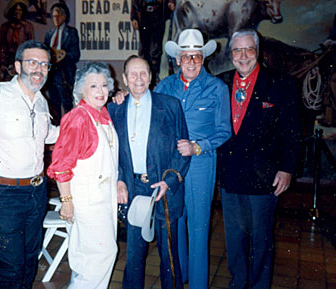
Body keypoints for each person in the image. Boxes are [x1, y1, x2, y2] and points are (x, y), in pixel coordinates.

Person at [218, 29, 301, 289]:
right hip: (230, 177)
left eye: (248, 50)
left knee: (261, 239)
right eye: (237, 50)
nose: (243, 56)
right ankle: (238, 282)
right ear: (231, 54)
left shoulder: (281, 84)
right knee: (234, 238)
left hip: (264, 178)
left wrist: (287, 169)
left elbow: (292, 131)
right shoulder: (221, 83)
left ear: (258, 52)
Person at [154, 28, 231, 288]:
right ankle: (180, 277)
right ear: (178, 59)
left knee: (198, 227)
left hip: (200, 164)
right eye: (186, 57)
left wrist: (198, 146)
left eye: (196, 57)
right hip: (172, 167)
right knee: (175, 222)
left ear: (203, 58)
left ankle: (198, 284)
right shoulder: (164, 86)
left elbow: (224, 130)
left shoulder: (216, 88)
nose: (191, 62)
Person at [108, 55, 190, 289]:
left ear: (151, 76)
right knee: (134, 254)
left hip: (163, 188)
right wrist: (120, 181)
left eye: (143, 73)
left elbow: (182, 149)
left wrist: (170, 181)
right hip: (133, 188)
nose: (138, 79)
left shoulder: (170, 105)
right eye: (132, 74)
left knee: (169, 253)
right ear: (124, 79)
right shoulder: (114, 108)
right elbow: (111, 151)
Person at [0, 40, 59, 289]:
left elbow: (48, 134)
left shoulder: (41, 100)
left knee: (30, 259)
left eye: (44, 64)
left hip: (37, 191)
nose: (38, 69)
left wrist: (82, 124)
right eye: (32, 63)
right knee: (11, 265)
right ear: (18, 66)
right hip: (6, 195)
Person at [47, 62, 118, 288]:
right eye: (94, 86)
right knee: (101, 256)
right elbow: (60, 166)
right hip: (87, 202)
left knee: (90, 260)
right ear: (81, 90)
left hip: (103, 199)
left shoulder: (101, 114)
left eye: (104, 85)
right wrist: (67, 202)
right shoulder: (78, 118)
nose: (100, 91)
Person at [43, 2, 80, 125]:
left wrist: (62, 55)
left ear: (64, 17)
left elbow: (76, 54)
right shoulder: (49, 34)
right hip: (51, 72)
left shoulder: (71, 32)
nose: (56, 19)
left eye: (58, 16)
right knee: (53, 102)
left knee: (67, 102)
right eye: (54, 16)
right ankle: (56, 130)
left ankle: (71, 129)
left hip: (64, 72)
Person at [131, 0, 175, 83]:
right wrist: (134, 17)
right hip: (144, 17)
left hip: (158, 17)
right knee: (144, 50)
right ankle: (143, 75)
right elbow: (134, 3)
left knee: (156, 50)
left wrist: (171, 2)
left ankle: (154, 76)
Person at [0, 0, 35, 80]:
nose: (18, 13)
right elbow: (2, 46)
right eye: (16, 10)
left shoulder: (28, 27)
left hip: (23, 61)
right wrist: (2, 62)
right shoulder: (5, 27)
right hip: (9, 62)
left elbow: (31, 47)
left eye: (20, 10)